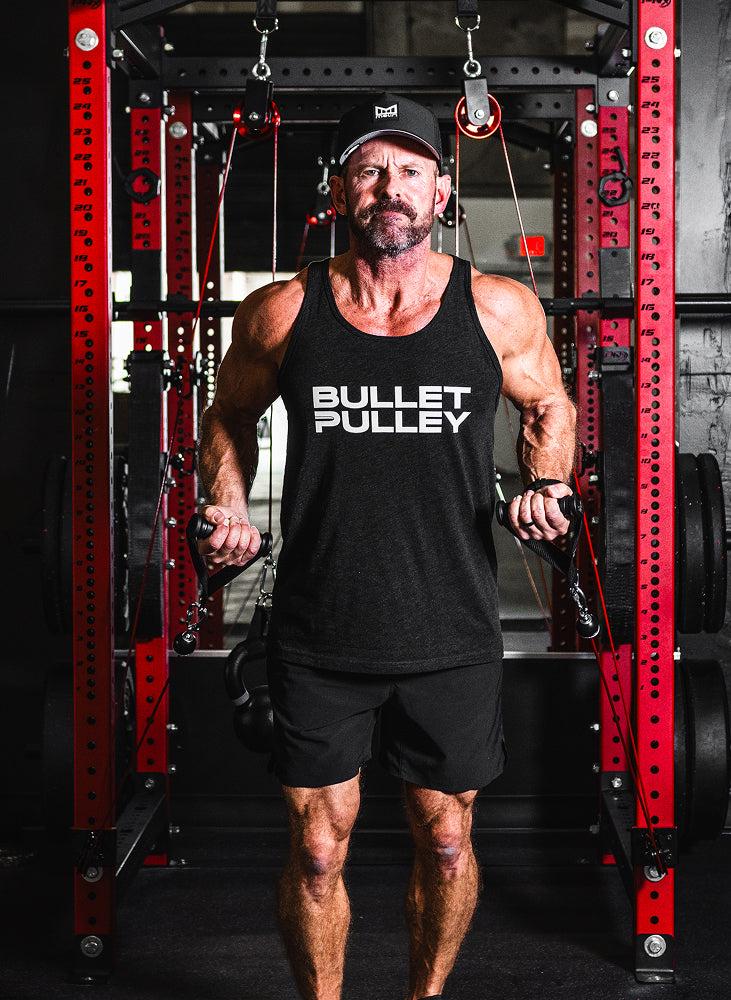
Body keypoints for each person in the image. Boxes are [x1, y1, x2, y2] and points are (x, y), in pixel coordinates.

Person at [196, 92, 577, 1000]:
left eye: (410, 170)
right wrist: (228, 502)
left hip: (450, 627)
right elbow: (227, 418)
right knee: (320, 851)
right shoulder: (283, 312)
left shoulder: (496, 307)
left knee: (447, 842)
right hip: (318, 631)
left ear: (441, 192)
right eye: (370, 170)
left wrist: (548, 484)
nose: (390, 188)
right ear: (340, 193)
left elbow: (549, 404)